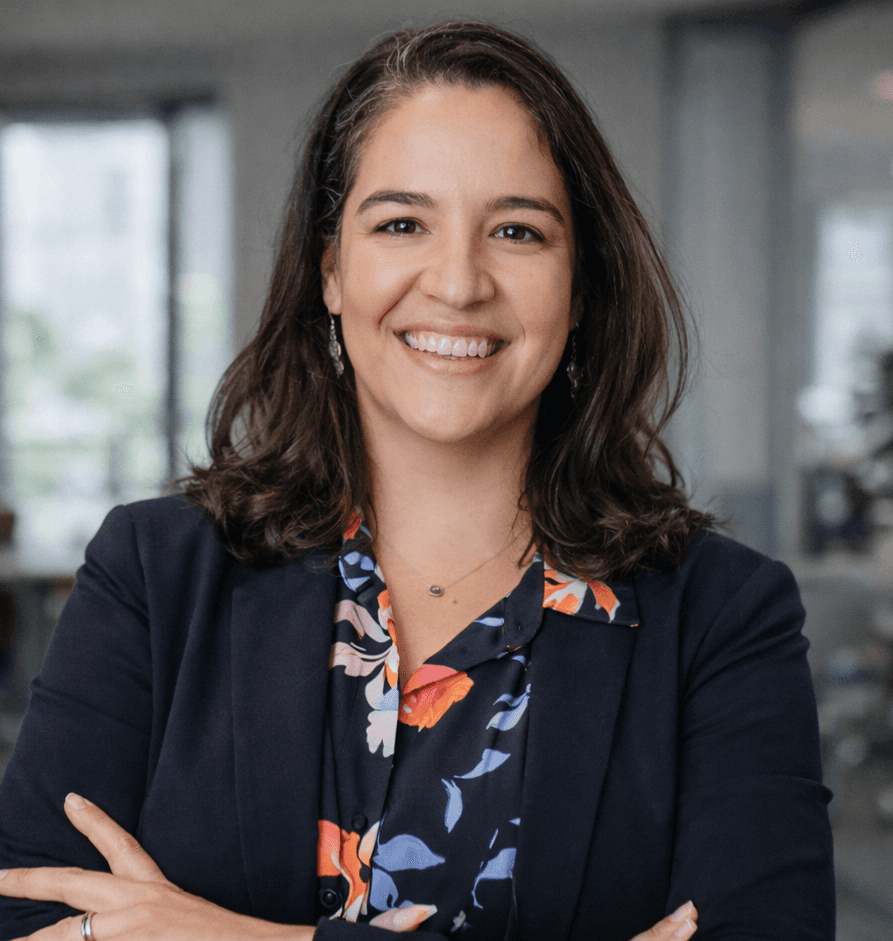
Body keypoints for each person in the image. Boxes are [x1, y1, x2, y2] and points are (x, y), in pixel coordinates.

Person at [0, 20, 834, 941]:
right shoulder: (155, 574)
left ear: (581, 285)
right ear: (331, 269)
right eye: (402, 223)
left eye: (517, 231)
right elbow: (31, 917)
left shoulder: (724, 616)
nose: (458, 281)